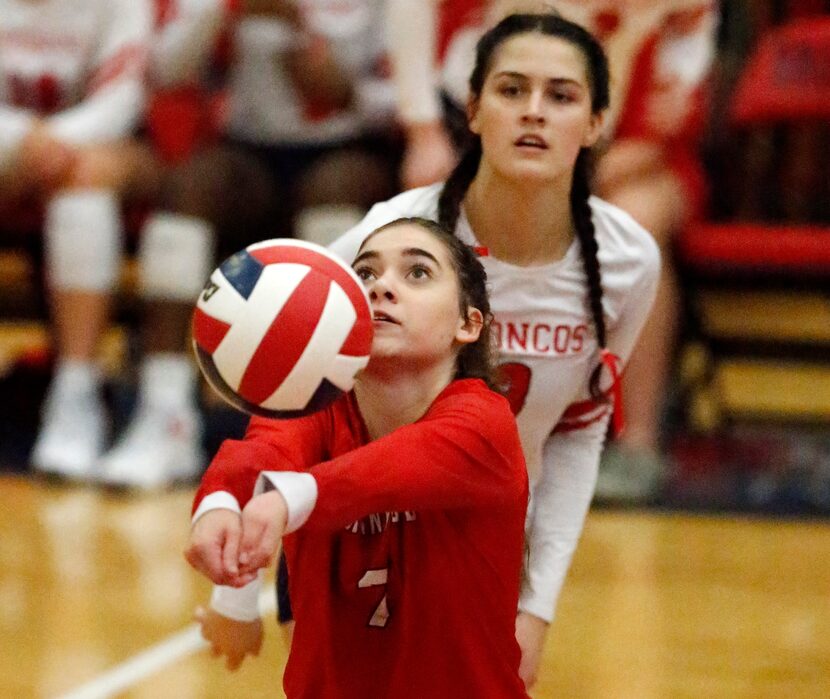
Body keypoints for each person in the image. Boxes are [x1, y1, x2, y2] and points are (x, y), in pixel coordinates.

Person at [327, 12, 661, 687]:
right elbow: (298, 389)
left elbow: (577, 435)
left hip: (496, 545)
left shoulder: (629, 260)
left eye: (561, 96)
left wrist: (535, 608)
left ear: (597, 122)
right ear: (473, 109)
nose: (534, 112)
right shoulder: (392, 234)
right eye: (511, 90)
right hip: (363, 533)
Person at [386, 0, 718, 500]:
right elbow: (466, 88)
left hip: (636, 164)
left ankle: (640, 444)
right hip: (525, 155)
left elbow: (664, 124)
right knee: (448, 205)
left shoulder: (683, 8)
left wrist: (566, 179)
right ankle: (431, 424)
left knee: (637, 221)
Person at [185, 217, 531, 698]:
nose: (381, 287)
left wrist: (290, 497)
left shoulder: (483, 422)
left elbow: (387, 471)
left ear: (468, 324)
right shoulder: (312, 408)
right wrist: (219, 506)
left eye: (417, 273)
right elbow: (261, 453)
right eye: (364, 274)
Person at [0, 0, 160, 482]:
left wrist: (50, 146)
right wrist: (22, 140)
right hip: (12, 148)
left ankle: (76, 398)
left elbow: (122, 99)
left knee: (85, 180)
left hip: (99, 149)